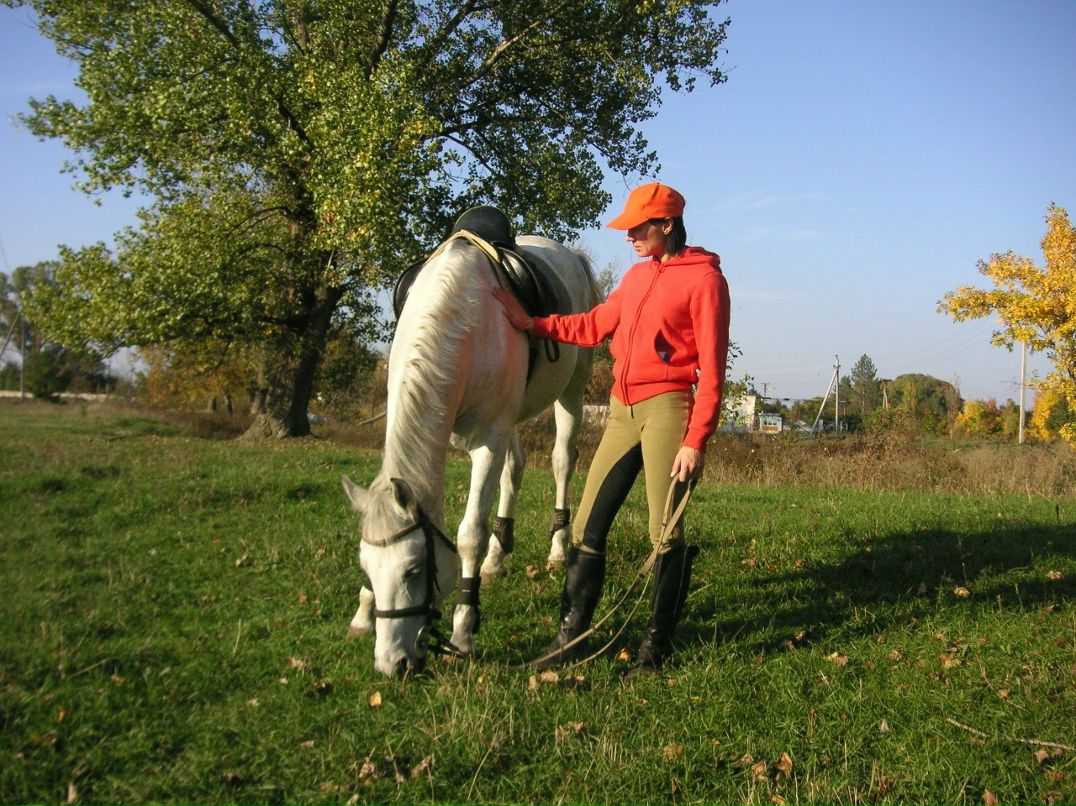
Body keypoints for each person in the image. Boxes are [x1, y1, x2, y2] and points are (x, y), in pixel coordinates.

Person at [494, 182, 731, 675]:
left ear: (667, 225)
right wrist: (532, 323)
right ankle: (571, 638)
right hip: (621, 410)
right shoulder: (637, 277)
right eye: (627, 229)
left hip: (668, 408)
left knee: (662, 531)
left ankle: (655, 647)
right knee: (584, 527)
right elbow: (595, 324)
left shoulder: (705, 280)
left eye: (638, 228)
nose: (629, 237)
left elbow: (713, 369)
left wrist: (695, 440)